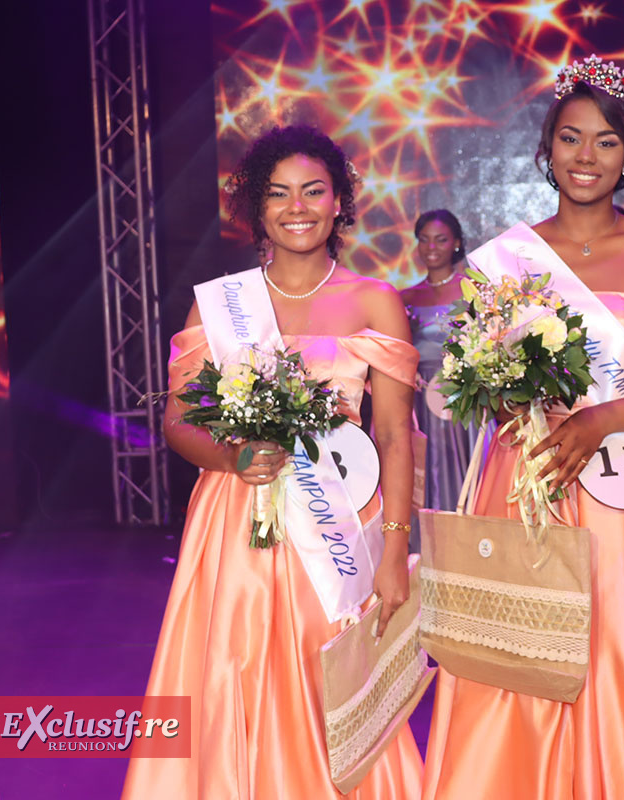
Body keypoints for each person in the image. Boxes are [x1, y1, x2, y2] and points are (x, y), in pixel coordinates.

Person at [420, 56, 624, 799]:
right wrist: (510, 399)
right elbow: (477, 377)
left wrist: (602, 417)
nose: (586, 156)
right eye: (570, 138)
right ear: (546, 148)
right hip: (530, 476)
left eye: (604, 141)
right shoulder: (504, 258)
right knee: (520, 652)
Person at [122, 125, 423, 799]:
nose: (297, 207)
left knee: (338, 690)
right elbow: (177, 423)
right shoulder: (221, 304)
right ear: (255, 208)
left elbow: (397, 437)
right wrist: (233, 456)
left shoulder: (375, 300)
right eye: (278, 194)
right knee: (234, 676)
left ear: (340, 201)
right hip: (237, 521)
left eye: (314, 191)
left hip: (339, 523)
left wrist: (395, 552)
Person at [401, 210, 484, 530]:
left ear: (457, 243)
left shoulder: (474, 292)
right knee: (423, 473)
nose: (431, 247)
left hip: (462, 401)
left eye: (440, 239)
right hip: (420, 403)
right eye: (423, 240)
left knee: (464, 474)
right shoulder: (404, 297)